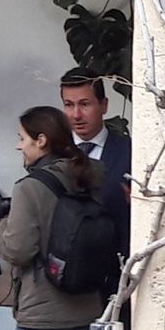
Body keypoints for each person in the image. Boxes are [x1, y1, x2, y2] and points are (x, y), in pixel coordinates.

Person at [0, 106, 105, 330]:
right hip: (85, 305)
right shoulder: (92, 174)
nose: (19, 146)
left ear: (41, 140)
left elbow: (18, 251)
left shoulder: (29, 187)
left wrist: (2, 227)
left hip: (42, 312)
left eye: (22, 138)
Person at [59, 67, 130, 264]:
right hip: (65, 272)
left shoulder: (130, 152)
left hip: (115, 268)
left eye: (84, 104)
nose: (76, 115)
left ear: (104, 105)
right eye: (68, 105)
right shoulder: (55, 153)